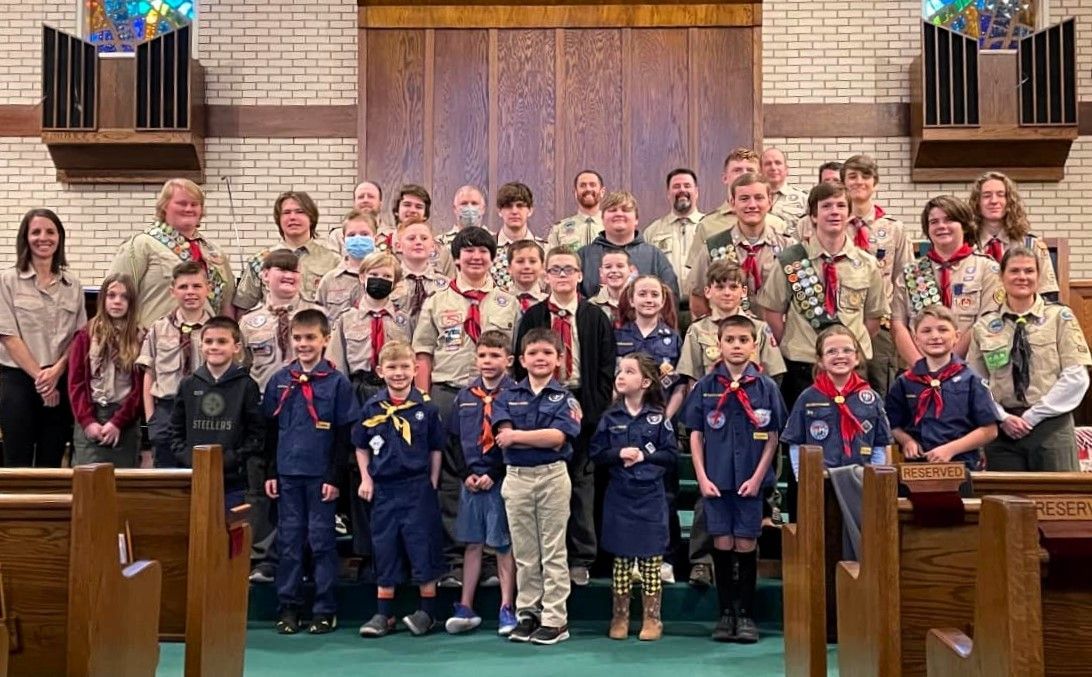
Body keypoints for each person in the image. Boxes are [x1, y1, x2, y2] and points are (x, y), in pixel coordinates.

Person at [411, 226, 519, 587]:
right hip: (448, 393)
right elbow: (423, 351)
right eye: (468, 251)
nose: (476, 257)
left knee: (494, 473)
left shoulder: (508, 302)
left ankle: (490, 558)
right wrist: (424, 400)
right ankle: (456, 560)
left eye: (483, 252)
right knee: (451, 478)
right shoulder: (438, 301)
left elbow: (515, 358)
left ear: (492, 258)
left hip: (496, 397)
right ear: (456, 257)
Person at [677, 260, 786, 588]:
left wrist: (760, 414)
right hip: (715, 422)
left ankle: (755, 546)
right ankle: (701, 560)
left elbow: (771, 374)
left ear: (743, 291)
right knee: (709, 494)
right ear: (708, 291)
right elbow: (691, 378)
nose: (727, 292)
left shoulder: (760, 329)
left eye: (733, 286)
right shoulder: (698, 330)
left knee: (753, 491)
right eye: (720, 286)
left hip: (753, 424)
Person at [514, 248, 616, 586]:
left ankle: (581, 557)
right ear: (546, 275)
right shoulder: (533, 316)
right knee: (544, 489)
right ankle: (545, 557)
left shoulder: (595, 316)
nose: (561, 275)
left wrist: (592, 412)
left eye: (568, 269)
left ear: (579, 275)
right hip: (541, 412)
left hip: (582, 406)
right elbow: (521, 367)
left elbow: (605, 370)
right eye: (555, 269)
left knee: (581, 486)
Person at [681, 315, 786, 643]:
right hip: (717, 480)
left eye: (743, 340)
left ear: (754, 345)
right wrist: (701, 476)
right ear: (719, 344)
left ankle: (746, 614)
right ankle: (725, 613)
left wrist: (758, 479)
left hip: (749, 483)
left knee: (746, 543)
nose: (737, 346)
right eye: (730, 340)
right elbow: (695, 434)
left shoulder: (766, 387)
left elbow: (772, 436)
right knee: (722, 543)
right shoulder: (706, 387)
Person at [262, 309, 357, 635]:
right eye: (298, 338)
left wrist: (334, 478)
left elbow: (343, 437)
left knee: (321, 541)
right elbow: (272, 431)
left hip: (320, 478)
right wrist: (271, 472)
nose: (304, 344)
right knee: (289, 541)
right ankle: (288, 607)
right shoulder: (279, 380)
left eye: (310, 338)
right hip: (288, 474)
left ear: (325, 340)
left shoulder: (337, 383)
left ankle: (324, 608)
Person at [755, 181, 887, 410]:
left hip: (852, 368)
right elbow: (773, 312)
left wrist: (845, 349)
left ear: (849, 214)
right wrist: (797, 342)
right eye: (826, 206)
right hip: (803, 366)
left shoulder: (867, 264)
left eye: (840, 206)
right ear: (813, 216)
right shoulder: (791, 261)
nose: (834, 211)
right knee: (802, 441)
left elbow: (873, 319)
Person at [492, 328, 583, 645]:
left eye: (547, 352)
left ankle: (555, 618)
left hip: (551, 476)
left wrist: (518, 436)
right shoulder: (507, 396)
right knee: (526, 552)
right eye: (533, 353)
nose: (540, 358)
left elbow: (557, 438)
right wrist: (524, 437)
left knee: (553, 551)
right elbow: (502, 435)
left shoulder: (566, 398)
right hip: (516, 477)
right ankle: (528, 612)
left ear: (559, 359)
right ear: (521, 360)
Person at [968, 247, 1091, 471]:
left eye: (1029, 271)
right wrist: (1002, 417)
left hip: (1051, 426)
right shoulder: (984, 326)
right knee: (1006, 503)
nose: (1022, 277)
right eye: (1014, 271)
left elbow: (1076, 377)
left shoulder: (1060, 318)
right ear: (1001, 277)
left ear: (1038, 276)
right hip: (1003, 430)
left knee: (1057, 501)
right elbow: (976, 383)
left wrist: (1033, 416)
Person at [354, 341, 447, 637]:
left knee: (423, 545)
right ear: (380, 371)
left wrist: (433, 479)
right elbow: (360, 445)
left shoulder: (426, 407)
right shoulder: (371, 407)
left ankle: (427, 612)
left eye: (405, 367)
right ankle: (384, 615)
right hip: (384, 489)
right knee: (385, 547)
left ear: (416, 369)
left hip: (417, 487)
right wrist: (366, 479)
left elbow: (435, 448)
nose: (398, 373)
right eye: (392, 367)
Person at [328, 251, 412, 573]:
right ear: (362, 277)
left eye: (388, 276)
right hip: (359, 391)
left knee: (394, 465)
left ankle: (397, 548)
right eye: (375, 274)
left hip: (394, 392)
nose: (381, 280)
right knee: (359, 468)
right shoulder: (346, 320)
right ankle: (366, 549)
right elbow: (338, 366)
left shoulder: (404, 321)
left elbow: (409, 360)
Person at [591, 353, 678, 641]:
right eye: (619, 371)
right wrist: (618, 453)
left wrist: (644, 454)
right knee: (622, 561)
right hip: (620, 495)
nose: (621, 376)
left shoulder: (658, 418)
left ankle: (653, 618)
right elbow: (596, 453)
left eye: (629, 371)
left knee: (652, 559)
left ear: (645, 381)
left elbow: (671, 454)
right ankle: (621, 615)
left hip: (650, 496)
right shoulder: (609, 417)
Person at [444, 331, 518, 636]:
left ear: (509, 361)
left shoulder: (515, 394)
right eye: (483, 355)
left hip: (500, 479)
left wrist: (495, 472)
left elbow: (515, 441)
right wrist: (466, 475)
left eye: (495, 356)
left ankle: (506, 606)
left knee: (502, 543)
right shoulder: (464, 396)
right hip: (471, 482)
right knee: (472, 543)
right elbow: (452, 440)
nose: (488, 362)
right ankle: (465, 605)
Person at [0, 209, 86, 467]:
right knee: (17, 458)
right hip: (18, 381)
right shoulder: (8, 280)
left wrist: (57, 371)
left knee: (53, 456)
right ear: (25, 238)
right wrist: (41, 377)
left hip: (59, 381)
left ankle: (48, 508)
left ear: (59, 237)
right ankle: (17, 509)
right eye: (35, 232)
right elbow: (8, 335)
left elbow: (78, 337)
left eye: (50, 231)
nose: (43, 237)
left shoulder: (72, 284)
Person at [892, 195, 1003, 365]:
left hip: (969, 370)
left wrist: (945, 366)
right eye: (934, 222)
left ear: (965, 225)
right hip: (919, 373)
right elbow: (898, 324)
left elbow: (984, 322)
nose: (941, 226)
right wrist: (921, 367)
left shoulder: (987, 269)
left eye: (949, 220)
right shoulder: (911, 273)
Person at [886, 305, 1000, 470]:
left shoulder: (971, 380)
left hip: (961, 465)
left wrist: (950, 450)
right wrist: (906, 441)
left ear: (956, 336)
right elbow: (893, 424)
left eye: (942, 330)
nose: (935, 336)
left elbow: (989, 430)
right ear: (915, 338)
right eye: (926, 331)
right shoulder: (905, 382)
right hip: (917, 467)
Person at [110, 178, 235, 327]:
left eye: (194, 204)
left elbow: (227, 305)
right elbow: (114, 296)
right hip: (155, 343)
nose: (189, 209)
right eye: (182, 203)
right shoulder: (140, 245)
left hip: (206, 344)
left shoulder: (215, 252)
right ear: (164, 206)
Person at [169, 316, 264, 508]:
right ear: (200, 345)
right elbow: (175, 432)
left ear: (236, 347)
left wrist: (231, 458)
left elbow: (256, 434)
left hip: (232, 480)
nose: (214, 347)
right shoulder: (188, 384)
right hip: (193, 476)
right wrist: (190, 458)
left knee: (229, 531)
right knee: (195, 531)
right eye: (209, 341)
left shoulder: (246, 386)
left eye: (222, 341)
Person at [782, 325, 891, 476]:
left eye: (847, 350)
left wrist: (874, 478)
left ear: (857, 357)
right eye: (831, 351)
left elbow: (880, 444)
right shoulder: (808, 398)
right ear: (820, 360)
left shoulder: (871, 398)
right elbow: (795, 442)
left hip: (862, 480)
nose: (840, 356)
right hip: (819, 481)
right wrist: (802, 478)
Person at [684, 173, 794, 317]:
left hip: (776, 335)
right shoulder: (714, 248)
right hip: (729, 336)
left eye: (759, 198)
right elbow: (698, 298)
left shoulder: (788, 248)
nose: (752, 205)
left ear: (770, 201)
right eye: (744, 199)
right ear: (732, 203)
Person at [138, 261, 211, 469]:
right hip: (167, 410)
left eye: (197, 286)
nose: (190, 292)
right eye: (183, 287)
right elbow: (149, 374)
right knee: (166, 477)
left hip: (205, 410)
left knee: (202, 474)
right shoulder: (159, 329)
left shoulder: (216, 331)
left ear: (208, 289)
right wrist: (151, 418)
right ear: (173, 291)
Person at [67, 274, 144, 467]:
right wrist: (87, 421)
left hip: (124, 419)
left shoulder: (140, 337)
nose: (117, 301)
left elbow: (140, 388)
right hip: (92, 415)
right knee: (87, 483)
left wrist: (118, 422)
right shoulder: (86, 335)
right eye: (111, 295)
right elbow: (76, 383)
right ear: (103, 299)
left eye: (124, 297)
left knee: (123, 484)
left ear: (132, 302)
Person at [234, 191, 341, 313]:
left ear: (311, 218)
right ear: (278, 220)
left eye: (300, 212)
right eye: (286, 213)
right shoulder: (260, 261)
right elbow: (243, 308)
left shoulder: (333, 261)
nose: (292, 217)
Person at [240, 251, 325, 393]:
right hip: (264, 400)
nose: (289, 276)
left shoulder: (319, 315)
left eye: (294, 271)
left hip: (309, 399)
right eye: (283, 270)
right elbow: (242, 365)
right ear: (265, 275)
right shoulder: (248, 322)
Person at [969, 171, 1060, 300]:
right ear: (977, 203)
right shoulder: (966, 246)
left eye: (1001, 195)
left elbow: (1048, 297)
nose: (994, 201)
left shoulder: (1031, 246)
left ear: (1009, 202)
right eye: (986, 195)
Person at [578, 191, 679, 300]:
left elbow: (670, 297)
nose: (619, 214)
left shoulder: (655, 256)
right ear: (602, 219)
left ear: (636, 219)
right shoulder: (584, 256)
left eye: (625, 210)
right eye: (612, 210)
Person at [615, 275, 685, 418]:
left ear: (663, 301)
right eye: (642, 294)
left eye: (654, 295)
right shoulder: (618, 336)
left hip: (662, 415)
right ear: (631, 300)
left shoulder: (673, 338)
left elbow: (681, 385)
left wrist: (666, 417)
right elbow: (611, 379)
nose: (648, 300)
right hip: (624, 417)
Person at [695, 148, 788, 243]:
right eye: (737, 170)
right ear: (725, 178)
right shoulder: (707, 225)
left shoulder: (777, 225)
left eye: (750, 170)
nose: (744, 174)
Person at [642, 168, 705, 285]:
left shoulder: (710, 227)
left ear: (696, 192)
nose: (682, 190)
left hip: (703, 301)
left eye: (687, 186)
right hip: (666, 301)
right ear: (668, 194)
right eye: (676, 186)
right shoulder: (652, 231)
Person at [316, 209, 377, 317]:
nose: (358, 239)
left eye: (364, 234)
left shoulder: (389, 276)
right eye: (352, 235)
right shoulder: (329, 280)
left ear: (375, 238)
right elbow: (318, 321)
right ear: (344, 240)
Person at [490, 182, 548, 292]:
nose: (514, 211)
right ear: (499, 211)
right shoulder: (487, 249)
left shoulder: (545, 249)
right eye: (508, 206)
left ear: (530, 210)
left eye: (520, 206)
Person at [391, 218, 449, 322]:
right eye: (411, 238)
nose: (418, 242)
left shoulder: (446, 285)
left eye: (424, 238)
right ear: (398, 246)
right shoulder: (390, 281)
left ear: (432, 246)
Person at [548, 170, 606, 253]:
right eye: (583, 185)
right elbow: (550, 261)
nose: (588, 189)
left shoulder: (612, 226)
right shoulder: (559, 228)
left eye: (592, 185)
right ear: (575, 192)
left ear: (602, 192)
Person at [436, 185, 487, 276]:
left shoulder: (495, 241)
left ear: (483, 209)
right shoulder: (439, 243)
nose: (469, 208)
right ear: (455, 209)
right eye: (464, 204)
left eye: (474, 203)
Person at [328, 180, 385, 255]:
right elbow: (332, 264)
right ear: (354, 203)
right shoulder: (337, 236)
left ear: (381, 203)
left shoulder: (394, 235)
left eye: (371, 197)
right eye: (361, 197)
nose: (365, 200)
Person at [588, 249, 636, 328]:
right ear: (601, 272)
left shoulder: (640, 302)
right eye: (608, 267)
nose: (614, 270)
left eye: (620, 266)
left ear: (631, 270)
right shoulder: (591, 306)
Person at [761, 148, 808, 224]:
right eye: (768, 164)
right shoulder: (753, 199)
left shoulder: (804, 199)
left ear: (786, 169)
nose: (773, 167)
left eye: (778, 163)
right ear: (760, 170)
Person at [507, 240, 548, 312]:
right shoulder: (496, 303)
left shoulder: (551, 304)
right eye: (520, 261)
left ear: (542, 267)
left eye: (532, 261)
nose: (527, 266)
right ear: (509, 268)